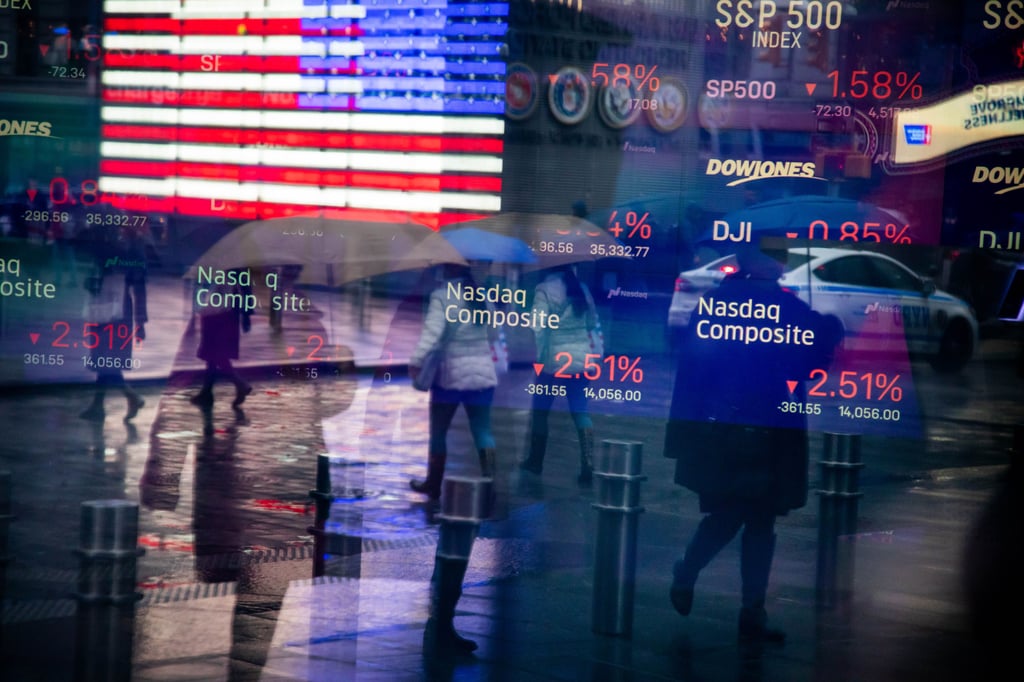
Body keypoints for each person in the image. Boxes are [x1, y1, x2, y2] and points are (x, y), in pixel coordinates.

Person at [663, 245, 840, 643]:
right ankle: (706, 582)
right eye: (774, 254)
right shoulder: (783, 308)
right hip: (752, 429)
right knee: (739, 514)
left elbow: (695, 365)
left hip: (739, 429)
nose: (782, 262)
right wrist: (823, 331)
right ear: (756, 262)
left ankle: (749, 610)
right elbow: (810, 365)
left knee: (755, 518)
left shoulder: (721, 303)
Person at [408, 264, 498, 499]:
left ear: (447, 271)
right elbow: (495, 333)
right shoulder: (482, 295)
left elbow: (432, 333)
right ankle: (490, 485)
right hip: (483, 376)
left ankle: (433, 484)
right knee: (483, 431)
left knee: (439, 432)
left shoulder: (442, 297)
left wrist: (416, 360)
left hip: (451, 378)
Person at [519, 264, 601, 485]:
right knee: (581, 412)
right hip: (581, 362)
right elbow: (592, 323)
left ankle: (535, 462)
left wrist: (535, 356)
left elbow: (536, 326)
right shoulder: (581, 288)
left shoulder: (544, 289)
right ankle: (588, 463)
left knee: (540, 412)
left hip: (553, 364)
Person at [79, 225, 147, 422]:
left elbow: (139, 289)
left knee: (107, 361)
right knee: (105, 360)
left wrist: (141, 323)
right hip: (108, 311)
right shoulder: (115, 253)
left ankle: (126, 397)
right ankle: (102, 404)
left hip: (113, 313)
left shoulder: (122, 254)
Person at [190, 270, 253, 409]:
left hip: (219, 311)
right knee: (211, 354)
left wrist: (247, 313)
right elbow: (245, 284)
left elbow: (244, 282)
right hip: (223, 309)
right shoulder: (229, 258)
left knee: (215, 353)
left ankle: (240, 383)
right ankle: (207, 392)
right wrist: (247, 314)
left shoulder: (222, 260)